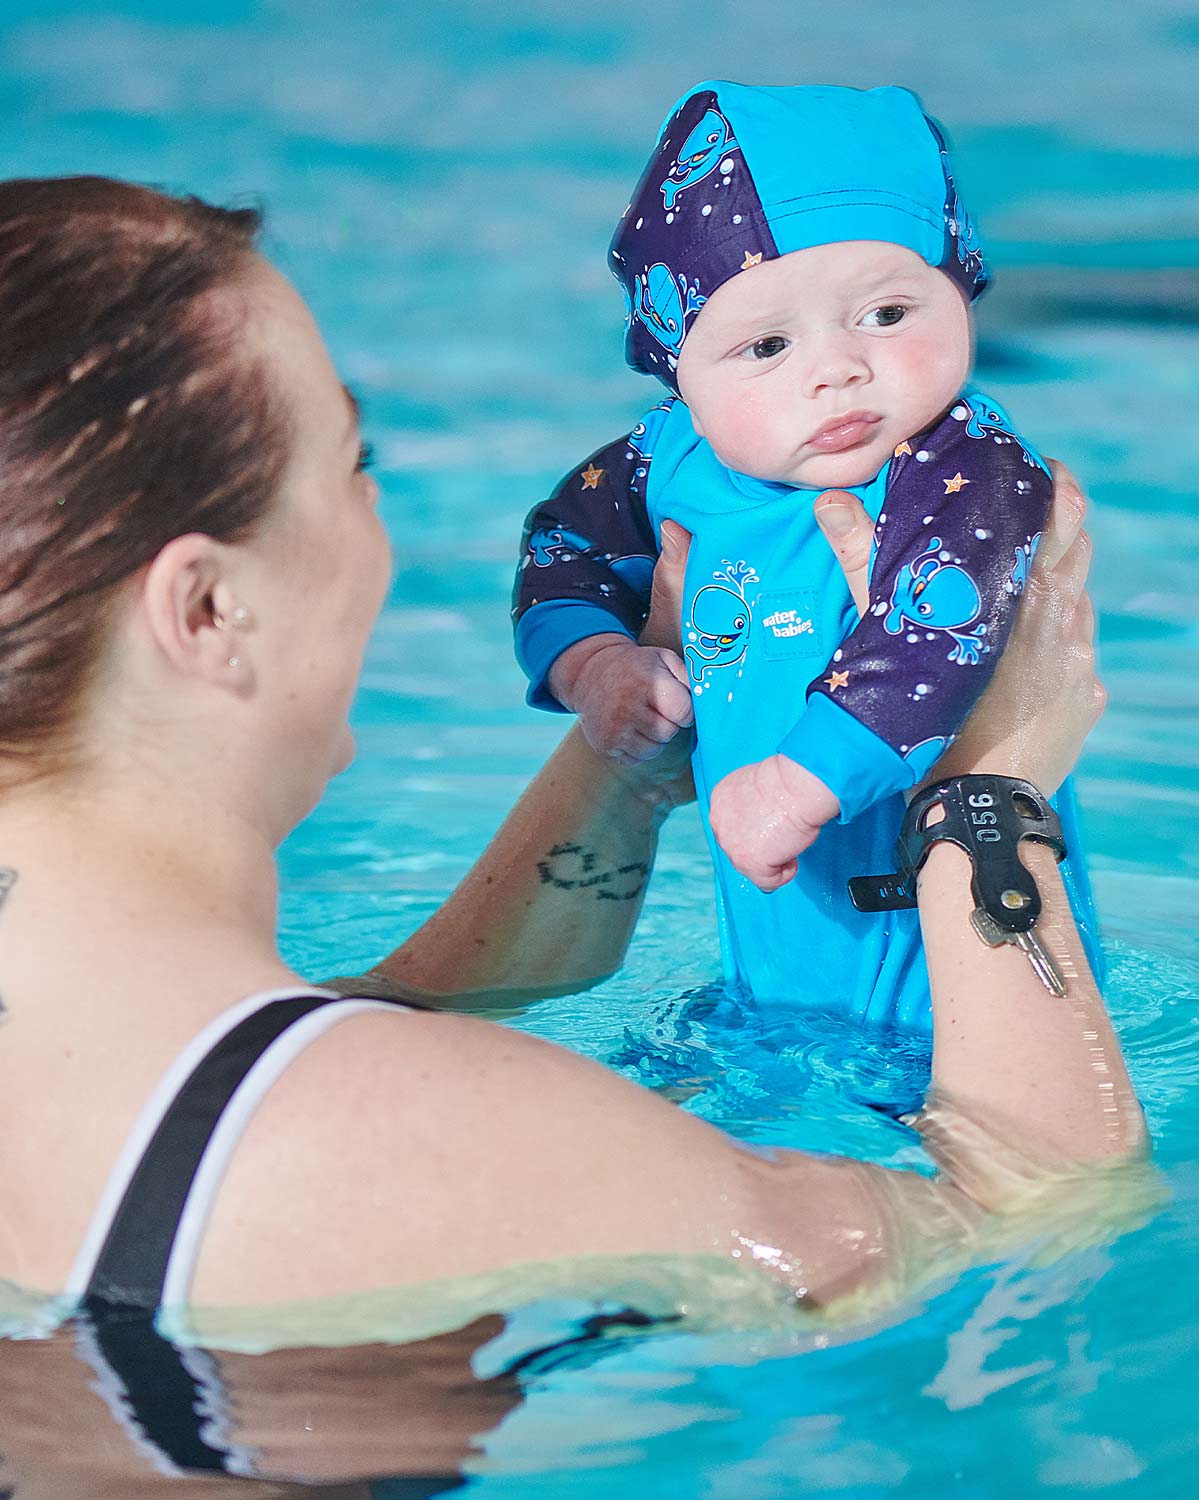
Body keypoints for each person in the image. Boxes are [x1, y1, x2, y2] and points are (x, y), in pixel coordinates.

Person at [0, 176, 1143, 1354]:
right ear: (205, 610)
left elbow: (362, 1020)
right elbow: (1048, 1216)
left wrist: (633, 746)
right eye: (353, 461)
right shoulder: (459, 1137)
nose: (379, 516)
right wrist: (986, 788)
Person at [511, 83, 1103, 1029]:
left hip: (956, 982)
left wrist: (802, 782)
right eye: (768, 344)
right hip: (772, 976)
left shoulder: (964, 470)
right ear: (679, 370)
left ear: (959, 286)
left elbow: (941, 637)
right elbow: (563, 549)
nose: (836, 369)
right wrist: (597, 667)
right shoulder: (668, 459)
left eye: (885, 315)